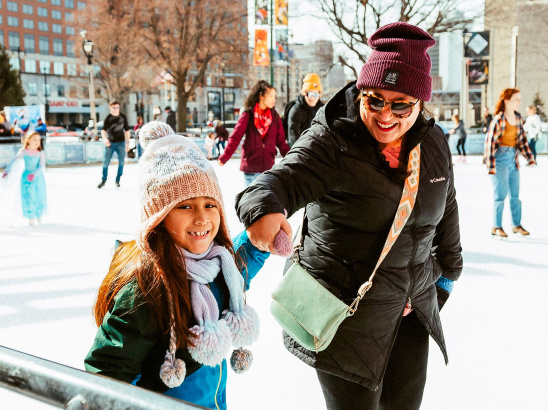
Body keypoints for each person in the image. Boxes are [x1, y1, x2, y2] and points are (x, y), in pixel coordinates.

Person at [234, 22, 462, 410]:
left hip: (409, 309)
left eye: (400, 104)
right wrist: (263, 207)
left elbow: (446, 206)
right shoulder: (332, 139)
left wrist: (448, 273)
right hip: (344, 313)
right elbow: (283, 178)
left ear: (421, 102)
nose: (385, 115)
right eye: (374, 100)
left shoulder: (433, 141)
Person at [85, 121, 268, 409]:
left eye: (210, 205)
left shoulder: (219, 264)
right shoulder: (146, 288)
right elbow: (108, 372)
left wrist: (259, 239)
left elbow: (240, 268)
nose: (202, 218)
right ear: (157, 216)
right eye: (185, 206)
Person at [484, 88, 535, 238]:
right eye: (516, 99)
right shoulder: (498, 119)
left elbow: (522, 141)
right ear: (506, 101)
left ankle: (516, 225)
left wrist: (529, 158)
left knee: (515, 195)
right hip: (499, 160)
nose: (519, 102)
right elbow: (490, 144)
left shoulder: (518, 118)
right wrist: (491, 165)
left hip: (513, 159)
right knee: (500, 195)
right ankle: (497, 226)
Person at [218, 80, 290, 187]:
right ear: (261, 96)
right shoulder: (248, 115)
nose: (273, 100)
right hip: (251, 169)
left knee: (266, 202)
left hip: (268, 170)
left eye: (274, 96)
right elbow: (236, 137)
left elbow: (281, 142)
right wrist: (225, 156)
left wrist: (292, 160)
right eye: (270, 96)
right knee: (251, 203)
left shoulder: (274, 117)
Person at [2, 131, 47, 225]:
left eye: (38, 140)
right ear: (28, 140)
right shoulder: (23, 152)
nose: (37, 142)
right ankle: (31, 216)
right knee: (28, 196)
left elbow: (40, 166)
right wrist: (7, 171)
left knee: (38, 195)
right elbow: (13, 161)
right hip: (26, 177)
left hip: (37, 178)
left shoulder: (40, 153)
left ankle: (38, 215)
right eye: (34, 139)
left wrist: (34, 174)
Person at [286, 73, 325, 147]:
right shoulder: (296, 110)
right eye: (310, 94)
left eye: (315, 94)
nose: (312, 98)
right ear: (304, 93)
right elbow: (293, 137)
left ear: (319, 94)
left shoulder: (323, 110)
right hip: (301, 150)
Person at [98, 101, 130, 189]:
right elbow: (103, 130)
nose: (116, 109)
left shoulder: (123, 117)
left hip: (121, 143)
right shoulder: (108, 118)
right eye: (114, 108)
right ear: (110, 107)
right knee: (105, 162)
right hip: (110, 143)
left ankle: (117, 180)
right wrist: (105, 139)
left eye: (117, 107)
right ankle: (103, 180)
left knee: (121, 162)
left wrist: (127, 143)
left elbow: (127, 131)